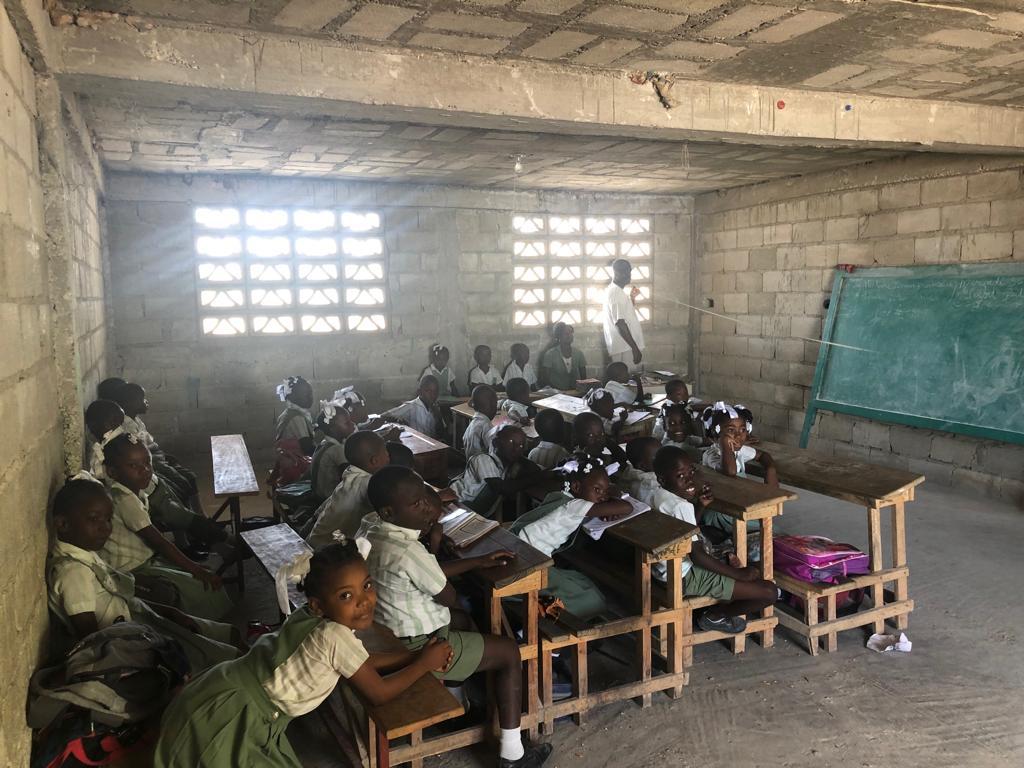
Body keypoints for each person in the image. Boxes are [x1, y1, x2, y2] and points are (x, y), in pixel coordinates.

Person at [153, 538, 454, 768]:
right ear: (318, 605)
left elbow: (359, 663)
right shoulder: (334, 634)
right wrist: (425, 664)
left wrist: (412, 657)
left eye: (367, 585)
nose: (364, 601)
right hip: (237, 713)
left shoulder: (315, 619)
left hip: (227, 689)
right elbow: (379, 693)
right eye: (346, 596)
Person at [364, 467, 553, 768]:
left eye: (426, 499)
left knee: (462, 620)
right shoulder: (407, 549)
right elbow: (447, 595)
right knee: (507, 652)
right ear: (389, 511)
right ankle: (513, 753)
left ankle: (458, 705)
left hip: (388, 632)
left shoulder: (371, 527)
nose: (427, 508)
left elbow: (426, 574)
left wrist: (475, 561)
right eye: (416, 504)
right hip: (415, 646)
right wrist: (436, 547)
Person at [48, 475, 238, 673]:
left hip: (142, 618)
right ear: (62, 524)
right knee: (216, 656)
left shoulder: (84, 554)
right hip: (134, 639)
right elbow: (93, 640)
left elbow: (121, 595)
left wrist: (167, 611)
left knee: (226, 636)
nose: (105, 528)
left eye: (107, 519)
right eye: (93, 519)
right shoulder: (73, 572)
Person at [101, 434, 233, 621]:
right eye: (133, 466)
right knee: (202, 588)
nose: (145, 470)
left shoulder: (132, 493)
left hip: (146, 560)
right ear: (112, 472)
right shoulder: (124, 499)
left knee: (197, 580)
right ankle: (203, 630)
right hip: (134, 569)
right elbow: (161, 543)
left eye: (148, 462)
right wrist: (197, 570)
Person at [651, 447, 776, 634]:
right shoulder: (681, 506)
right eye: (680, 476)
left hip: (662, 571)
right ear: (662, 479)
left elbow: (686, 530)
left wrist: (700, 506)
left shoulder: (657, 496)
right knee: (768, 592)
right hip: (683, 576)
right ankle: (715, 615)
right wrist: (738, 575)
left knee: (726, 551)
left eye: (691, 472)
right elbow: (697, 556)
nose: (689, 480)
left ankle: (723, 599)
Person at [85, 399, 228, 554]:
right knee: (186, 519)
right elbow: (103, 482)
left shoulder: (121, 440)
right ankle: (226, 543)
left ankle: (208, 544)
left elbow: (146, 457)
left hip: (154, 485)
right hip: (146, 495)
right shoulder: (102, 452)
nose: (120, 427)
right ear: (107, 423)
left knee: (183, 515)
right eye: (117, 423)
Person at [513, 454, 630, 620]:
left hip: (520, 549)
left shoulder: (559, 496)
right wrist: (614, 495)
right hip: (528, 561)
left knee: (579, 581)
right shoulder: (576, 506)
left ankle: (542, 608)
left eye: (605, 491)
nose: (603, 497)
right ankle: (541, 617)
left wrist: (605, 503)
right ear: (576, 487)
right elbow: (626, 507)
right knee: (591, 600)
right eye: (598, 490)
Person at [307, 431, 391, 546]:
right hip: (327, 551)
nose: (388, 455)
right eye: (385, 451)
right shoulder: (368, 484)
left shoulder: (350, 474)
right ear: (374, 460)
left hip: (318, 540)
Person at [452, 424, 540, 517]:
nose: (515, 449)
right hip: (454, 504)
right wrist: (541, 476)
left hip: (469, 513)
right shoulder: (483, 459)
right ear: (496, 443)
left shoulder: (505, 467)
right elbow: (503, 488)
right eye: (511, 442)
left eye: (521, 445)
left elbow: (535, 469)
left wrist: (521, 457)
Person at [701, 402, 778, 487]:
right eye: (731, 430)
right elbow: (730, 471)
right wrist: (724, 441)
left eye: (742, 430)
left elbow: (762, 455)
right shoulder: (711, 455)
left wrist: (770, 468)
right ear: (715, 432)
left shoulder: (739, 451)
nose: (738, 436)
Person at [310, 397, 357, 502]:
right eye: (347, 423)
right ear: (333, 429)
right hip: (328, 500)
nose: (352, 425)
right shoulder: (337, 449)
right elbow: (350, 478)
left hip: (317, 495)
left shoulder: (323, 443)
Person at [602, 258, 644, 369]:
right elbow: (620, 323)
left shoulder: (615, 291)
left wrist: (632, 299)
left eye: (629, 271)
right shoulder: (616, 292)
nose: (628, 275)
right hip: (624, 348)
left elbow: (624, 315)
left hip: (624, 347)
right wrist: (634, 348)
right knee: (626, 382)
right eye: (625, 271)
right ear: (616, 273)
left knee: (626, 383)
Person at [538, 323, 587, 391]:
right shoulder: (550, 354)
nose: (569, 335)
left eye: (571, 333)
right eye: (566, 333)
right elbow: (546, 379)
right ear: (559, 336)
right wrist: (555, 391)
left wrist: (580, 390)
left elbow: (584, 377)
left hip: (575, 392)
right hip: (556, 393)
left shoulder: (578, 353)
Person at [275, 376, 316, 455]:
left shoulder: (287, 413)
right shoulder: (296, 418)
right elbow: (307, 447)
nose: (310, 397)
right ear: (292, 396)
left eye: (310, 393)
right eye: (305, 394)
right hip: (297, 464)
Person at [619, 436, 660, 505]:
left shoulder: (629, 471)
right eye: (658, 457)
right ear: (642, 466)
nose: (665, 458)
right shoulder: (651, 481)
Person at [463, 384, 498, 460]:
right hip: (484, 469)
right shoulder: (486, 426)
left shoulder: (472, 424)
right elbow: (494, 453)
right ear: (493, 405)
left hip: (471, 466)